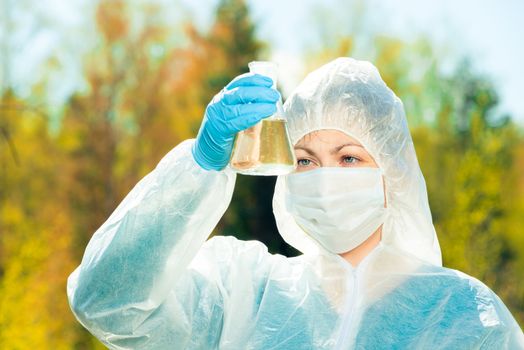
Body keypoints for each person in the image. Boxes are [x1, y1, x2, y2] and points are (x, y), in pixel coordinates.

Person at [67, 57, 524, 349]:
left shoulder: (463, 317)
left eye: (348, 158)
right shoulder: (245, 291)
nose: (325, 179)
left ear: (392, 174)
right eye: (304, 160)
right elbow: (107, 302)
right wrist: (200, 167)